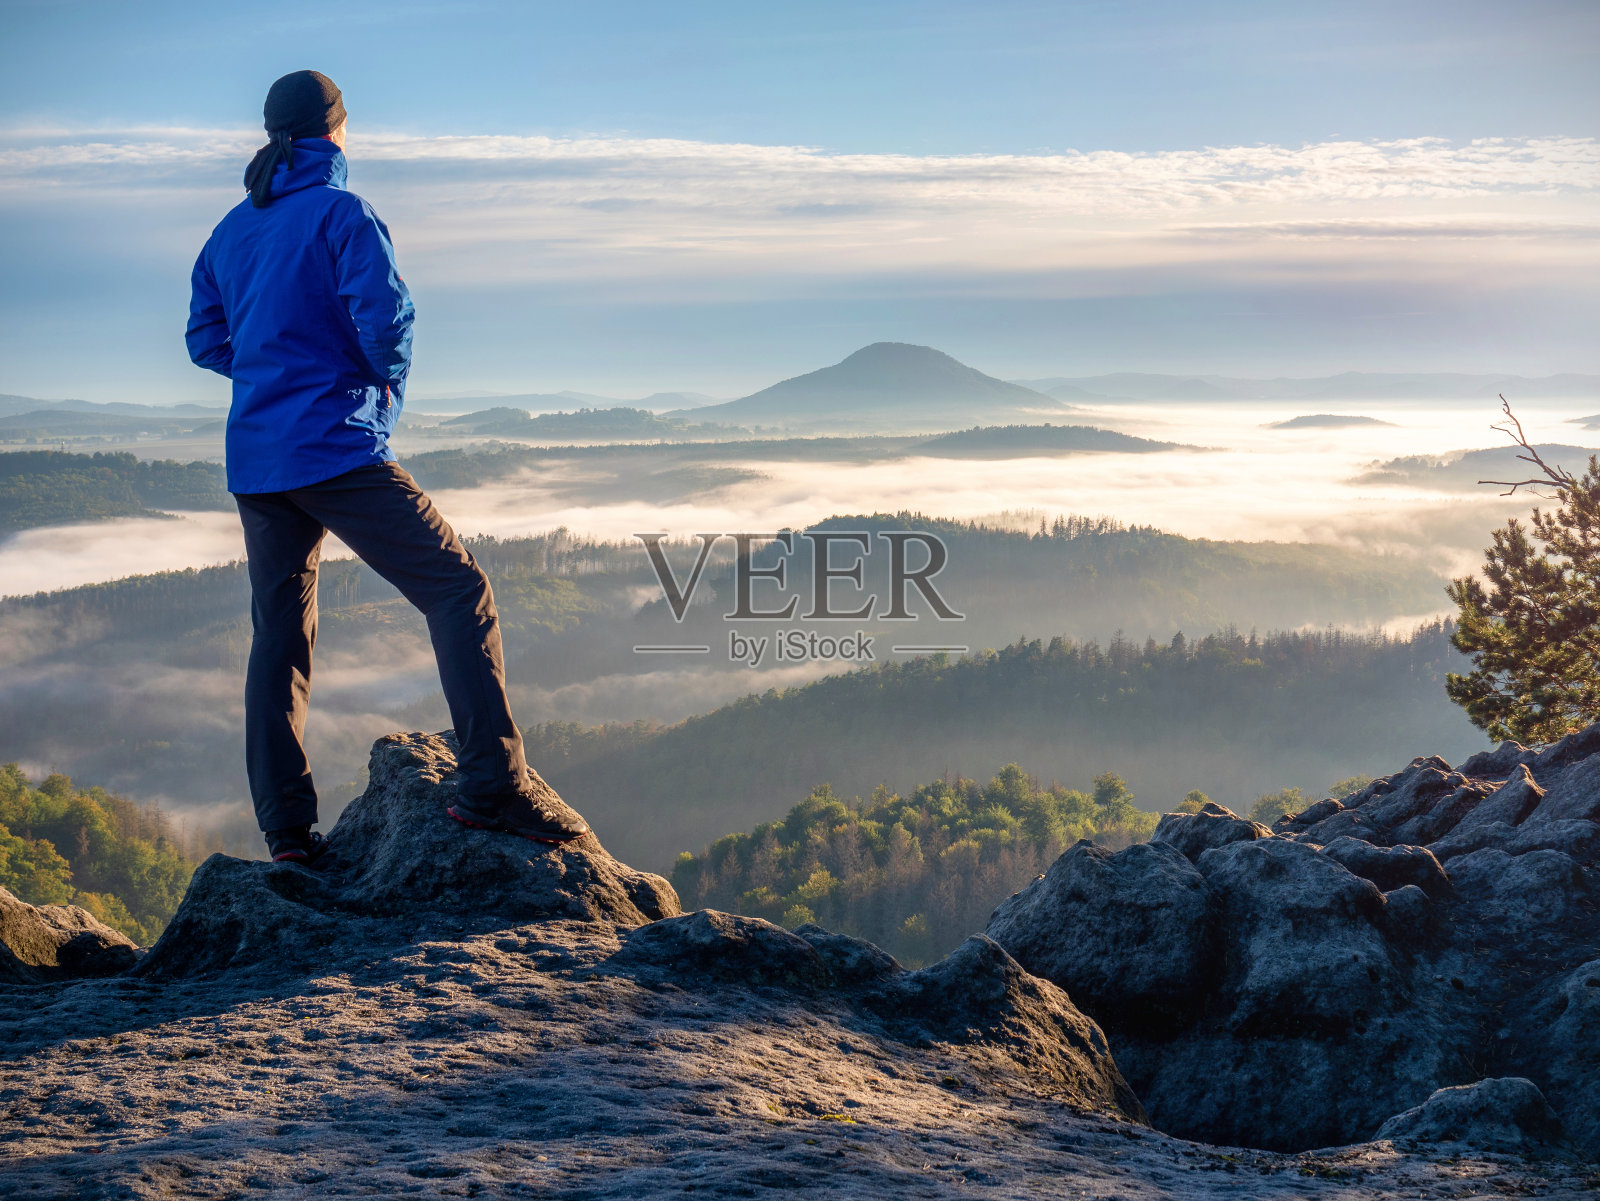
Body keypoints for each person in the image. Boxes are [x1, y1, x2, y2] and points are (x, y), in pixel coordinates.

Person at [186, 70, 588, 864]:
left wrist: (272, 372)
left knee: (279, 637)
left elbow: (206, 339)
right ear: (336, 131)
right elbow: (388, 323)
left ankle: (288, 832)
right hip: (335, 446)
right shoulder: (342, 214)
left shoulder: (232, 231)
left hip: (259, 461)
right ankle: (491, 788)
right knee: (458, 588)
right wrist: (365, 388)